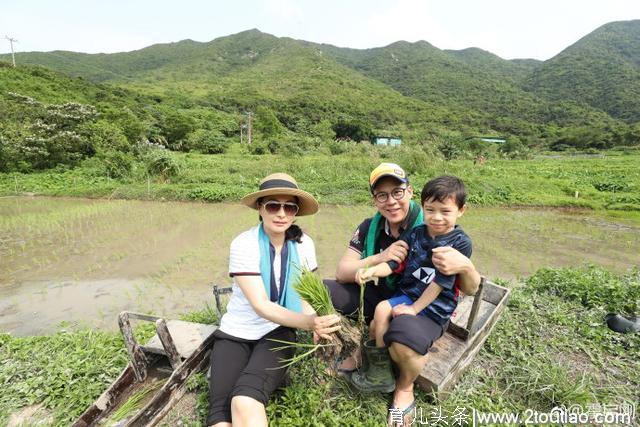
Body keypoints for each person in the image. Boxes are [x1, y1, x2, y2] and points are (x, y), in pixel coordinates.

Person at [324, 164, 481, 419]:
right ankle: (378, 367)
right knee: (372, 308)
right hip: (397, 293)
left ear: (409, 192)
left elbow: (453, 284)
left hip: (427, 303)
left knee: (400, 336)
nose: (391, 201)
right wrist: (375, 265)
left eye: (397, 192)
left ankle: (404, 386)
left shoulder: (450, 238)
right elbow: (375, 266)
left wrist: (414, 308)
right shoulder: (379, 228)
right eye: (382, 195)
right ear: (374, 199)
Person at [207, 173, 341, 427]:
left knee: (244, 400)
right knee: (219, 416)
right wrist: (309, 323)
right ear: (260, 208)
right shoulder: (244, 244)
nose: (281, 213)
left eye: (289, 207)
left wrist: (314, 318)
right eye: (273, 205)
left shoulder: (304, 244)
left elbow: (307, 292)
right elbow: (260, 305)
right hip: (236, 332)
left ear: (296, 212)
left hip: (278, 331)